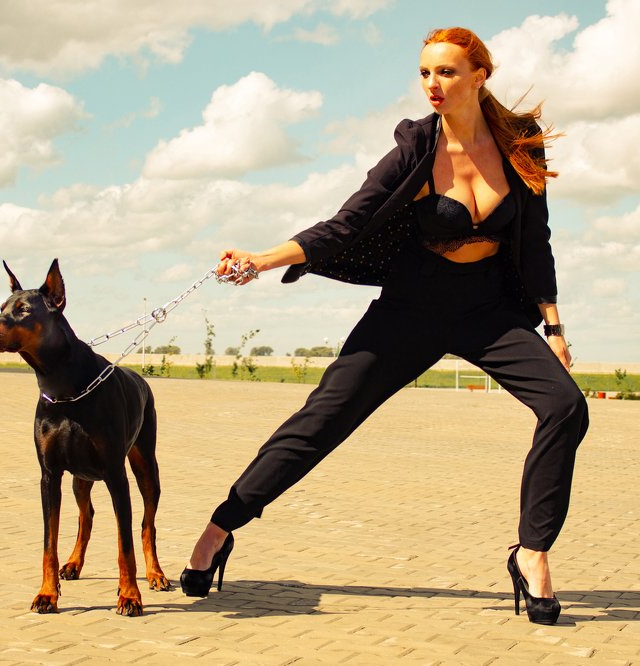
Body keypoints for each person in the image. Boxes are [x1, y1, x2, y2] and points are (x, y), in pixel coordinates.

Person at [180, 26, 588, 625]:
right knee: (322, 420)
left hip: (489, 312)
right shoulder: (414, 149)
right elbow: (345, 225)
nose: (432, 85)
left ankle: (532, 554)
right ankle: (221, 528)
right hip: (411, 308)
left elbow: (537, 242)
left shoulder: (520, 143)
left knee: (566, 406)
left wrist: (553, 326)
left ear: (479, 75)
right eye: (424, 73)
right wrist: (261, 260)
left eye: (446, 72)